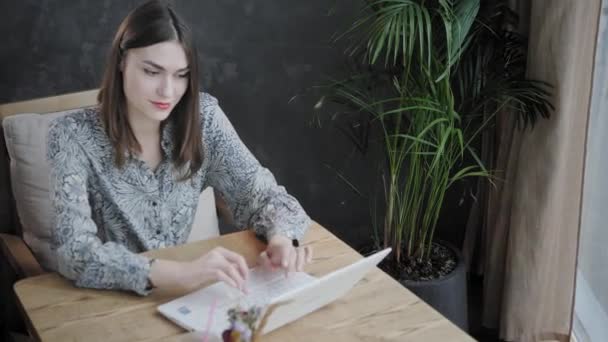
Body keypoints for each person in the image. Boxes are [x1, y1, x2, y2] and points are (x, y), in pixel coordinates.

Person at [46, 0, 312, 296]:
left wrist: (280, 241)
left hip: (188, 298)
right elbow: (75, 252)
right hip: (103, 302)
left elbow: (265, 197)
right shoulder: (70, 134)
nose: (168, 91)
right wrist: (180, 273)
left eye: (181, 74)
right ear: (121, 61)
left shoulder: (204, 119)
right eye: (152, 71)